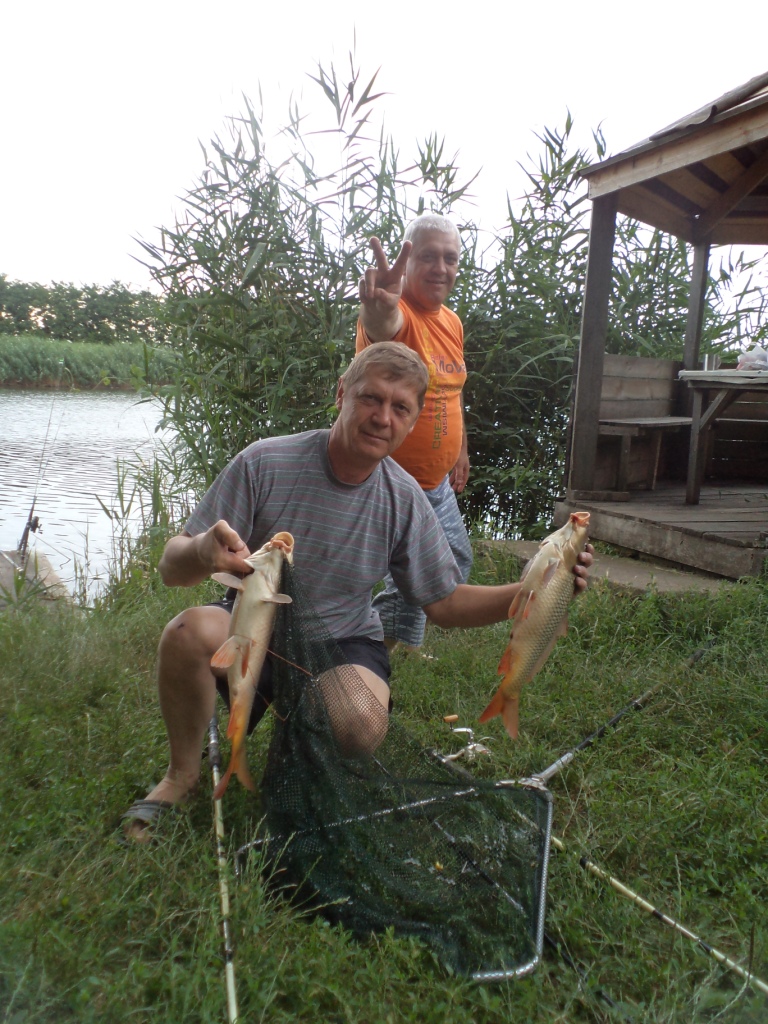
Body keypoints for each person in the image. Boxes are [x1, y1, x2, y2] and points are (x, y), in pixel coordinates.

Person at [122, 343, 593, 842]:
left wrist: (533, 591)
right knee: (186, 632)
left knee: (361, 722)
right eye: (372, 398)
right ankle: (182, 777)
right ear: (342, 393)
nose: (383, 417)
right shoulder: (264, 461)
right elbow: (171, 569)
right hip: (253, 623)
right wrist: (201, 551)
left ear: (412, 423)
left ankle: (298, 753)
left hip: (343, 642)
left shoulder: (405, 499)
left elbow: (446, 604)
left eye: (400, 408)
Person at [356, 214, 472, 653]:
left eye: (450, 259)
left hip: (434, 480)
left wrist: (460, 449)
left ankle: (387, 641)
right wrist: (378, 306)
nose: (441, 268)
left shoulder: (452, 322)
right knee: (416, 579)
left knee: (454, 561)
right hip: (394, 479)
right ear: (408, 264)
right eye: (428, 257)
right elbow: (380, 324)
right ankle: (372, 652)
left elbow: (452, 392)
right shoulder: (400, 313)